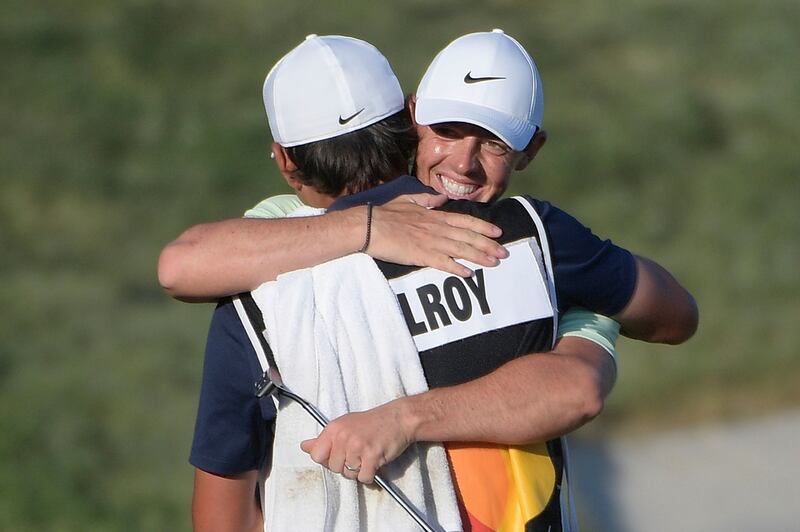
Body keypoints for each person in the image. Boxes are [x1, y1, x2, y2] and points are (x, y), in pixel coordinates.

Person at [167, 32, 698, 531]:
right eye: (449, 131)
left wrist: (586, 316)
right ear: (408, 118)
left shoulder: (255, 286)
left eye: (491, 143)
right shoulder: (528, 239)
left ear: (285, 161)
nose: (464, 163)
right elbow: (672, 317)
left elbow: (224, 511)